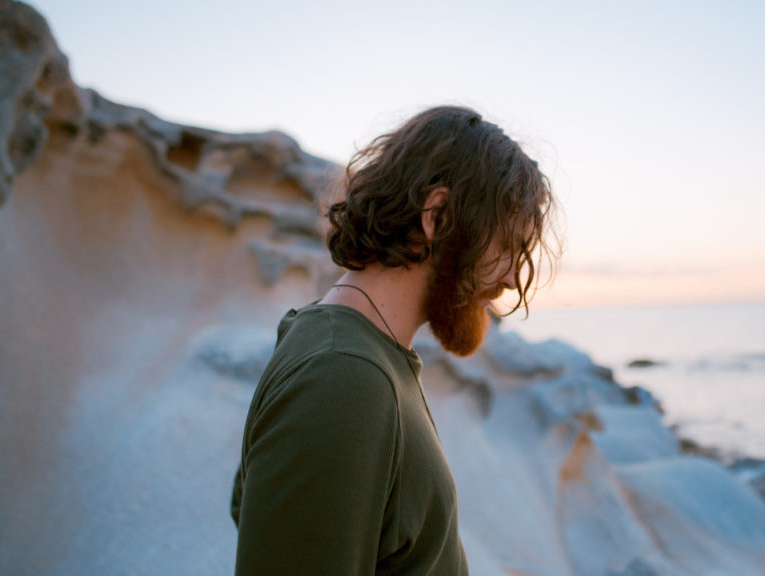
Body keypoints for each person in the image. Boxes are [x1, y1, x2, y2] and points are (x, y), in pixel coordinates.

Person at [230, 105, 558, 575]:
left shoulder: (363, 357)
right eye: (505, 246)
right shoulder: (340, 377)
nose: (509, 276)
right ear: (438, 215)